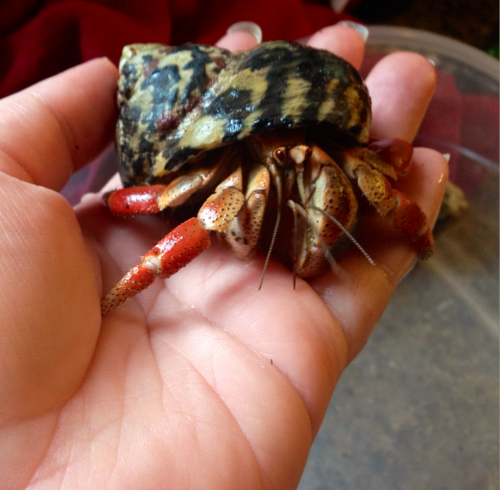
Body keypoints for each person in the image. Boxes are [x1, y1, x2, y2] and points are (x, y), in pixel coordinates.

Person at [0, 24, 447, 489]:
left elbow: (390, 173)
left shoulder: (321, 154)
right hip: (228, 156)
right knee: (210, 216)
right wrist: (108, 296)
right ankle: (124, 289)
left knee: (375, 192)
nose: (293, 158)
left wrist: (415, 234)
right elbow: (161, 201)